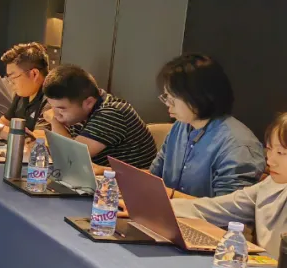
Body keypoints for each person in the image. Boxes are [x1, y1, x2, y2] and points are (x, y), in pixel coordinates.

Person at [150, 54, 264, 199]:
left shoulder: (237, 145)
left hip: (198, 215)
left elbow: (228, 208)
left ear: (199, 96)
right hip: (168, 211)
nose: (167, 103)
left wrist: (170, 195)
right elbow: (155, 174)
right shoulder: (180, 126)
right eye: (166, 97)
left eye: (173, 98)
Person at [172, 113, 287, 250]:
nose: (270, 161)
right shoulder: (270, 185)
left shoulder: (237, 142)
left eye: (281, 153)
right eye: (269, 149)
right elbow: (216, 208)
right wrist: (162, 207)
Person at [42, 63, 158, 170]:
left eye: (61, 109)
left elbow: (70, 158)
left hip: (127, 184)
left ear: (89, 102)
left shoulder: (112, 113)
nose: (55, 113)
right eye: (52, 106)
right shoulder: (82, 109)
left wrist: (54, 121)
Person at [0, 42, 50, 139]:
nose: (10, 83)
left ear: (34, 74)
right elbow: (6, 122)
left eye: (13, 77)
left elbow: (39, 139)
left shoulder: (51, 97)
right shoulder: (23, 93)